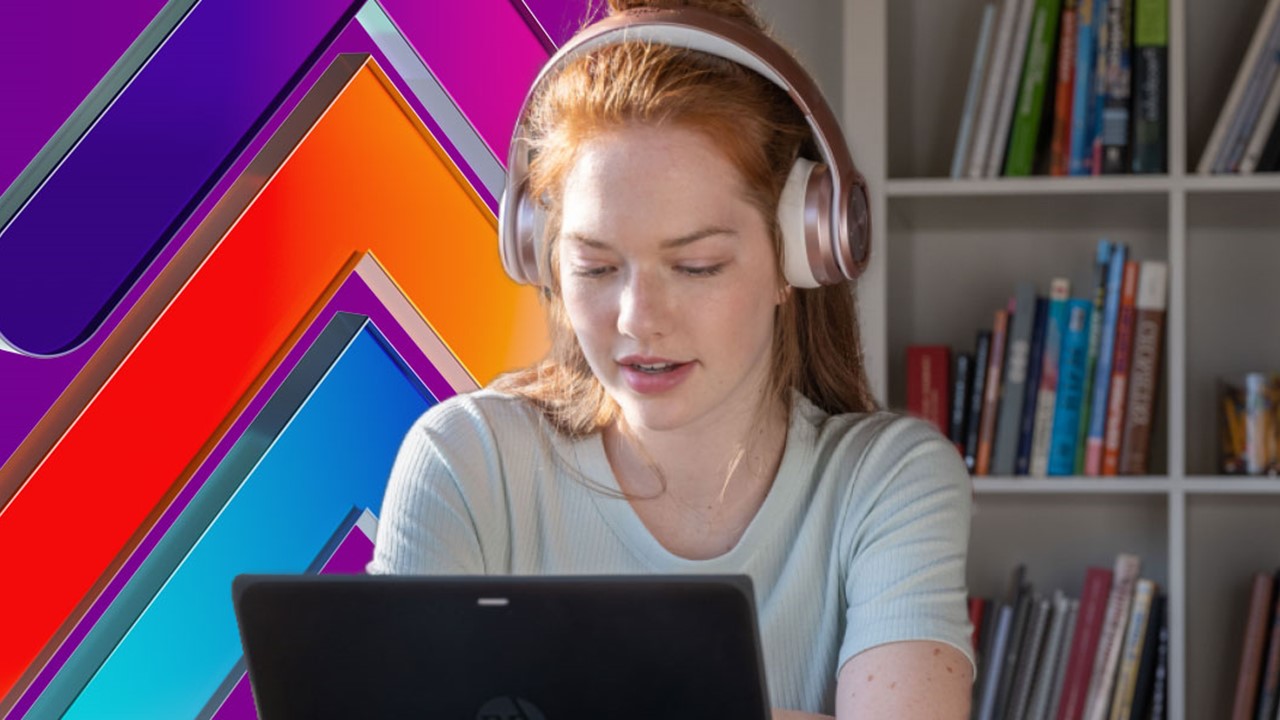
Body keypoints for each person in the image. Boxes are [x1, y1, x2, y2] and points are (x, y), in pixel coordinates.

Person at [368, 0, 975, 717]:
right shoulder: (463, 462)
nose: (637, 320)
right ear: (541, 256)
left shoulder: (886, 480)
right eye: (595, 268)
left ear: (799, 255)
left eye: (696, 266)